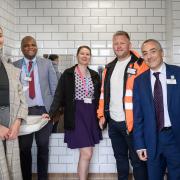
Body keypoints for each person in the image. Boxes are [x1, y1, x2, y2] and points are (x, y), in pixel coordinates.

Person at [97, 31, 148, 180]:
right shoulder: (109, 67)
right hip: (113, 123)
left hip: (133, 124)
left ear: (129, 45)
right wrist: (101, 115)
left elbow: (146, 96)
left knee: (137, 161)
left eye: (122, 43)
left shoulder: (140, 64)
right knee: (120, 159)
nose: (118, 46)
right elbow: (103, 94)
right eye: (116, 43)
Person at [49, 45, 102, 180]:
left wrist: (102, 115)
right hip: (76, 114)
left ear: (90, 57)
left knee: (85, 154)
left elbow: (101, 97)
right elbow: (59, 95)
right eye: (82, 53)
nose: (85, 56)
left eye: (87, 54)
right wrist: (50, 113)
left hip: (91, 115)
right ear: (77, 56)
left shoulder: (95, 75)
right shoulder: (68, 73)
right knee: (87, 153)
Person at [133, 39, 180, 180]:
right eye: (145, 53)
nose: (149, 56)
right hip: (152, 139)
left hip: (175, 137)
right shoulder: (139, 81)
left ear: (162, 53)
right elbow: (138, 116)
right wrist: (140, 144)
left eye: (153, 51)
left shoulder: (177, 73)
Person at [13, 36, 58, 180]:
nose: (30, 47)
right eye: (26, 45)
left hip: (43, 111)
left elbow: (54, 88)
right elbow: (13, 92)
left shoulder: (47, 64)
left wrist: (52, 112)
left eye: (33, 44)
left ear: (37, 47)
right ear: (22, 48)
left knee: (43, 147)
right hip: (23, 113)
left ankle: (42, 178)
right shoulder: (14, 66)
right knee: (24, 148)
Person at [0, 26, 28, 180]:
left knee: (11, 171)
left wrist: (17, 123)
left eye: (0, 35)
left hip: (11, 126)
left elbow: (22, 100)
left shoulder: (10, 68)